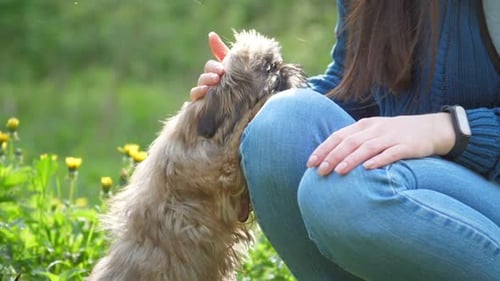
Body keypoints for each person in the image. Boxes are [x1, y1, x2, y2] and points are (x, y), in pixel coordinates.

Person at [190, 1, 500, 280]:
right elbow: (353, 84)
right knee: (276, 129)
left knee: (338, 192)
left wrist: (450, 129)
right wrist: (247, 101)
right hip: (416, 176)